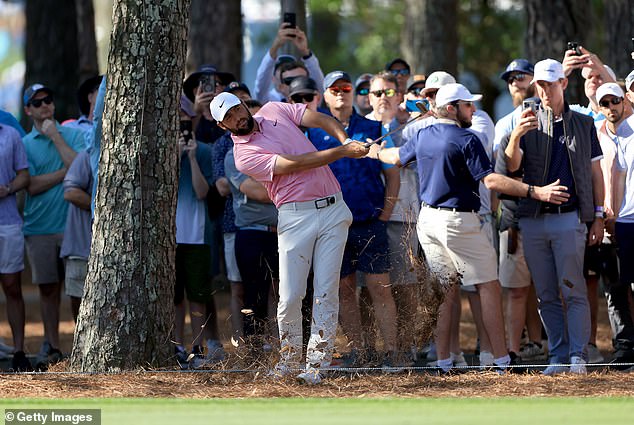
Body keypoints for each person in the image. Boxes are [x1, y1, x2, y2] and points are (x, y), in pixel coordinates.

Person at [369, 83, 569, 373]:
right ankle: (502, 361)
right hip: (458, 221)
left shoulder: (424, 134)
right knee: (488, 285)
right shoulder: (468, 139)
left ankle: (444, 361)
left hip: (429, 221)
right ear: (452, 108)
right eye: (467, 105)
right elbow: (491, 182)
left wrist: (374, 151)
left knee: (444, 289)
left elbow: (395, 156)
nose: (473, 110)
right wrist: (536, 191)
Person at [209, 91, 369, 384]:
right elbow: (295, 163)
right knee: (291, 295)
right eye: (228, 118)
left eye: (237, 110)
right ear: (223, 126)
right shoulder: (243, 156)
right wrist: (342, 152)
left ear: (244, 104)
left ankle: (316, 367)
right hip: (296, 217)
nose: (237, 118)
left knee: (325, 292)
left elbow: (319, 118)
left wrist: (344, 139)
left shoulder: (273, 110)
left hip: (334, 208)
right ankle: (289, 359)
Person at [501, 59, 605, 375]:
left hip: (569, 217)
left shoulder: (584, 124)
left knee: (572, 289)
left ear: (563, 83)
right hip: (533, 219)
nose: (545, 90)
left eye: (550, 84)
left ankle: (578, 355)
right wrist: (517, 136)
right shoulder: (525, 119)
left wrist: (598, 215)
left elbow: (595, 173)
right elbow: (511, 167)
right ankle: (558, 356)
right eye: (540, 85)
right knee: (546, 294)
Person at [308, 71, 401, 369]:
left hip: (369, 221)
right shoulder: (314, 130)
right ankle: (359, 354)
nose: (340, 93)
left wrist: (385, 214)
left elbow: (392, 175)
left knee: (380, 289)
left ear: (352, 93)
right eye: (334, 89)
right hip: (332, 225)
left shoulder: (371, 127)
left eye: (345, 88)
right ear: (324, 94)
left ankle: (391, 353)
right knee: (345, 291)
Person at [22, 84, 86, 369]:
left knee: (76, 290)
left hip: (73, 227)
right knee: (48, 289)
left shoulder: (73, 135)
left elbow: (83, 172)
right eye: (37, 103)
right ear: (28, 110)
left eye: (48, 100)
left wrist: (56, 136)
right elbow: (31, 186)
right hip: (39, 228)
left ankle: (82, 345)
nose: (45, 106)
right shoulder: (24, 144)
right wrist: (65, 173)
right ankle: (52, 345)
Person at [365, 71, 420, 363]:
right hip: (366, 218)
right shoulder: (362, 127)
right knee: (367, 288)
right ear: (368, 97)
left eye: (389, 92)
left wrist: (402, 121)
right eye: (377, 93)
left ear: (399, 96)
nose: (383, 98)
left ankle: (407, 347)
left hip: (402, 216)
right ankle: (374, 348)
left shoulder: (411, 126)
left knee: (404, 285)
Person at [493, 58, 545, 362]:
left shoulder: (558, 117)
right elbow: (500, 175)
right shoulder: (505, 124)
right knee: (517, 288)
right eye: (510, 78)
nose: (516, 82)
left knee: (549, 289)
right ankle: (518, 346)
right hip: (515, 217)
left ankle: (543, 342)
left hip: (549, 214)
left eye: (521, 76)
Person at [173, 104, 217, 369]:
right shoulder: (163, 152)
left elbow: (202, 192)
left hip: (197, 236)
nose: (181, 126)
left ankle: (198, 347)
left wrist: (190, 158)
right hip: (171, 238)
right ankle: (176, 345)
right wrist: (175, 157)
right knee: (174, 296)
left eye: (185, 121)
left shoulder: (204, 152)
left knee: (197, 294)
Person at [599, 82, 634, 368]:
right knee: (615, 287)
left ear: (625, 100)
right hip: (610, 220)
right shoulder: (596, 134)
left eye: (615, 101)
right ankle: (624, 345)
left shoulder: (630, 128)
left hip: (627, 219)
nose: (611, 107)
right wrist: (606, 214)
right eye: (605, 103)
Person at [0, 120, 31, 371]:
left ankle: (19, 351)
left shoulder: (10, 134)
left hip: (8, 222)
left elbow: (24, 175)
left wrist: (8, 188)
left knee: (12, 286)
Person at [253, 22, 324, 103]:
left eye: (301, 78)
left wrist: (304, 51)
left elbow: (319, 86)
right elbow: (261, 86)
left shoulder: (311, 100)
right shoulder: (271, 103)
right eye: (289, 80)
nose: (296, 83)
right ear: (280, 85)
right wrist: (275, 46)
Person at [60, 150, 93, 322]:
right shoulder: (88, 155)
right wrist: (101, 208)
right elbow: (70, 192)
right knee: (77, 300)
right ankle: (80, 343)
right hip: (80, 247)